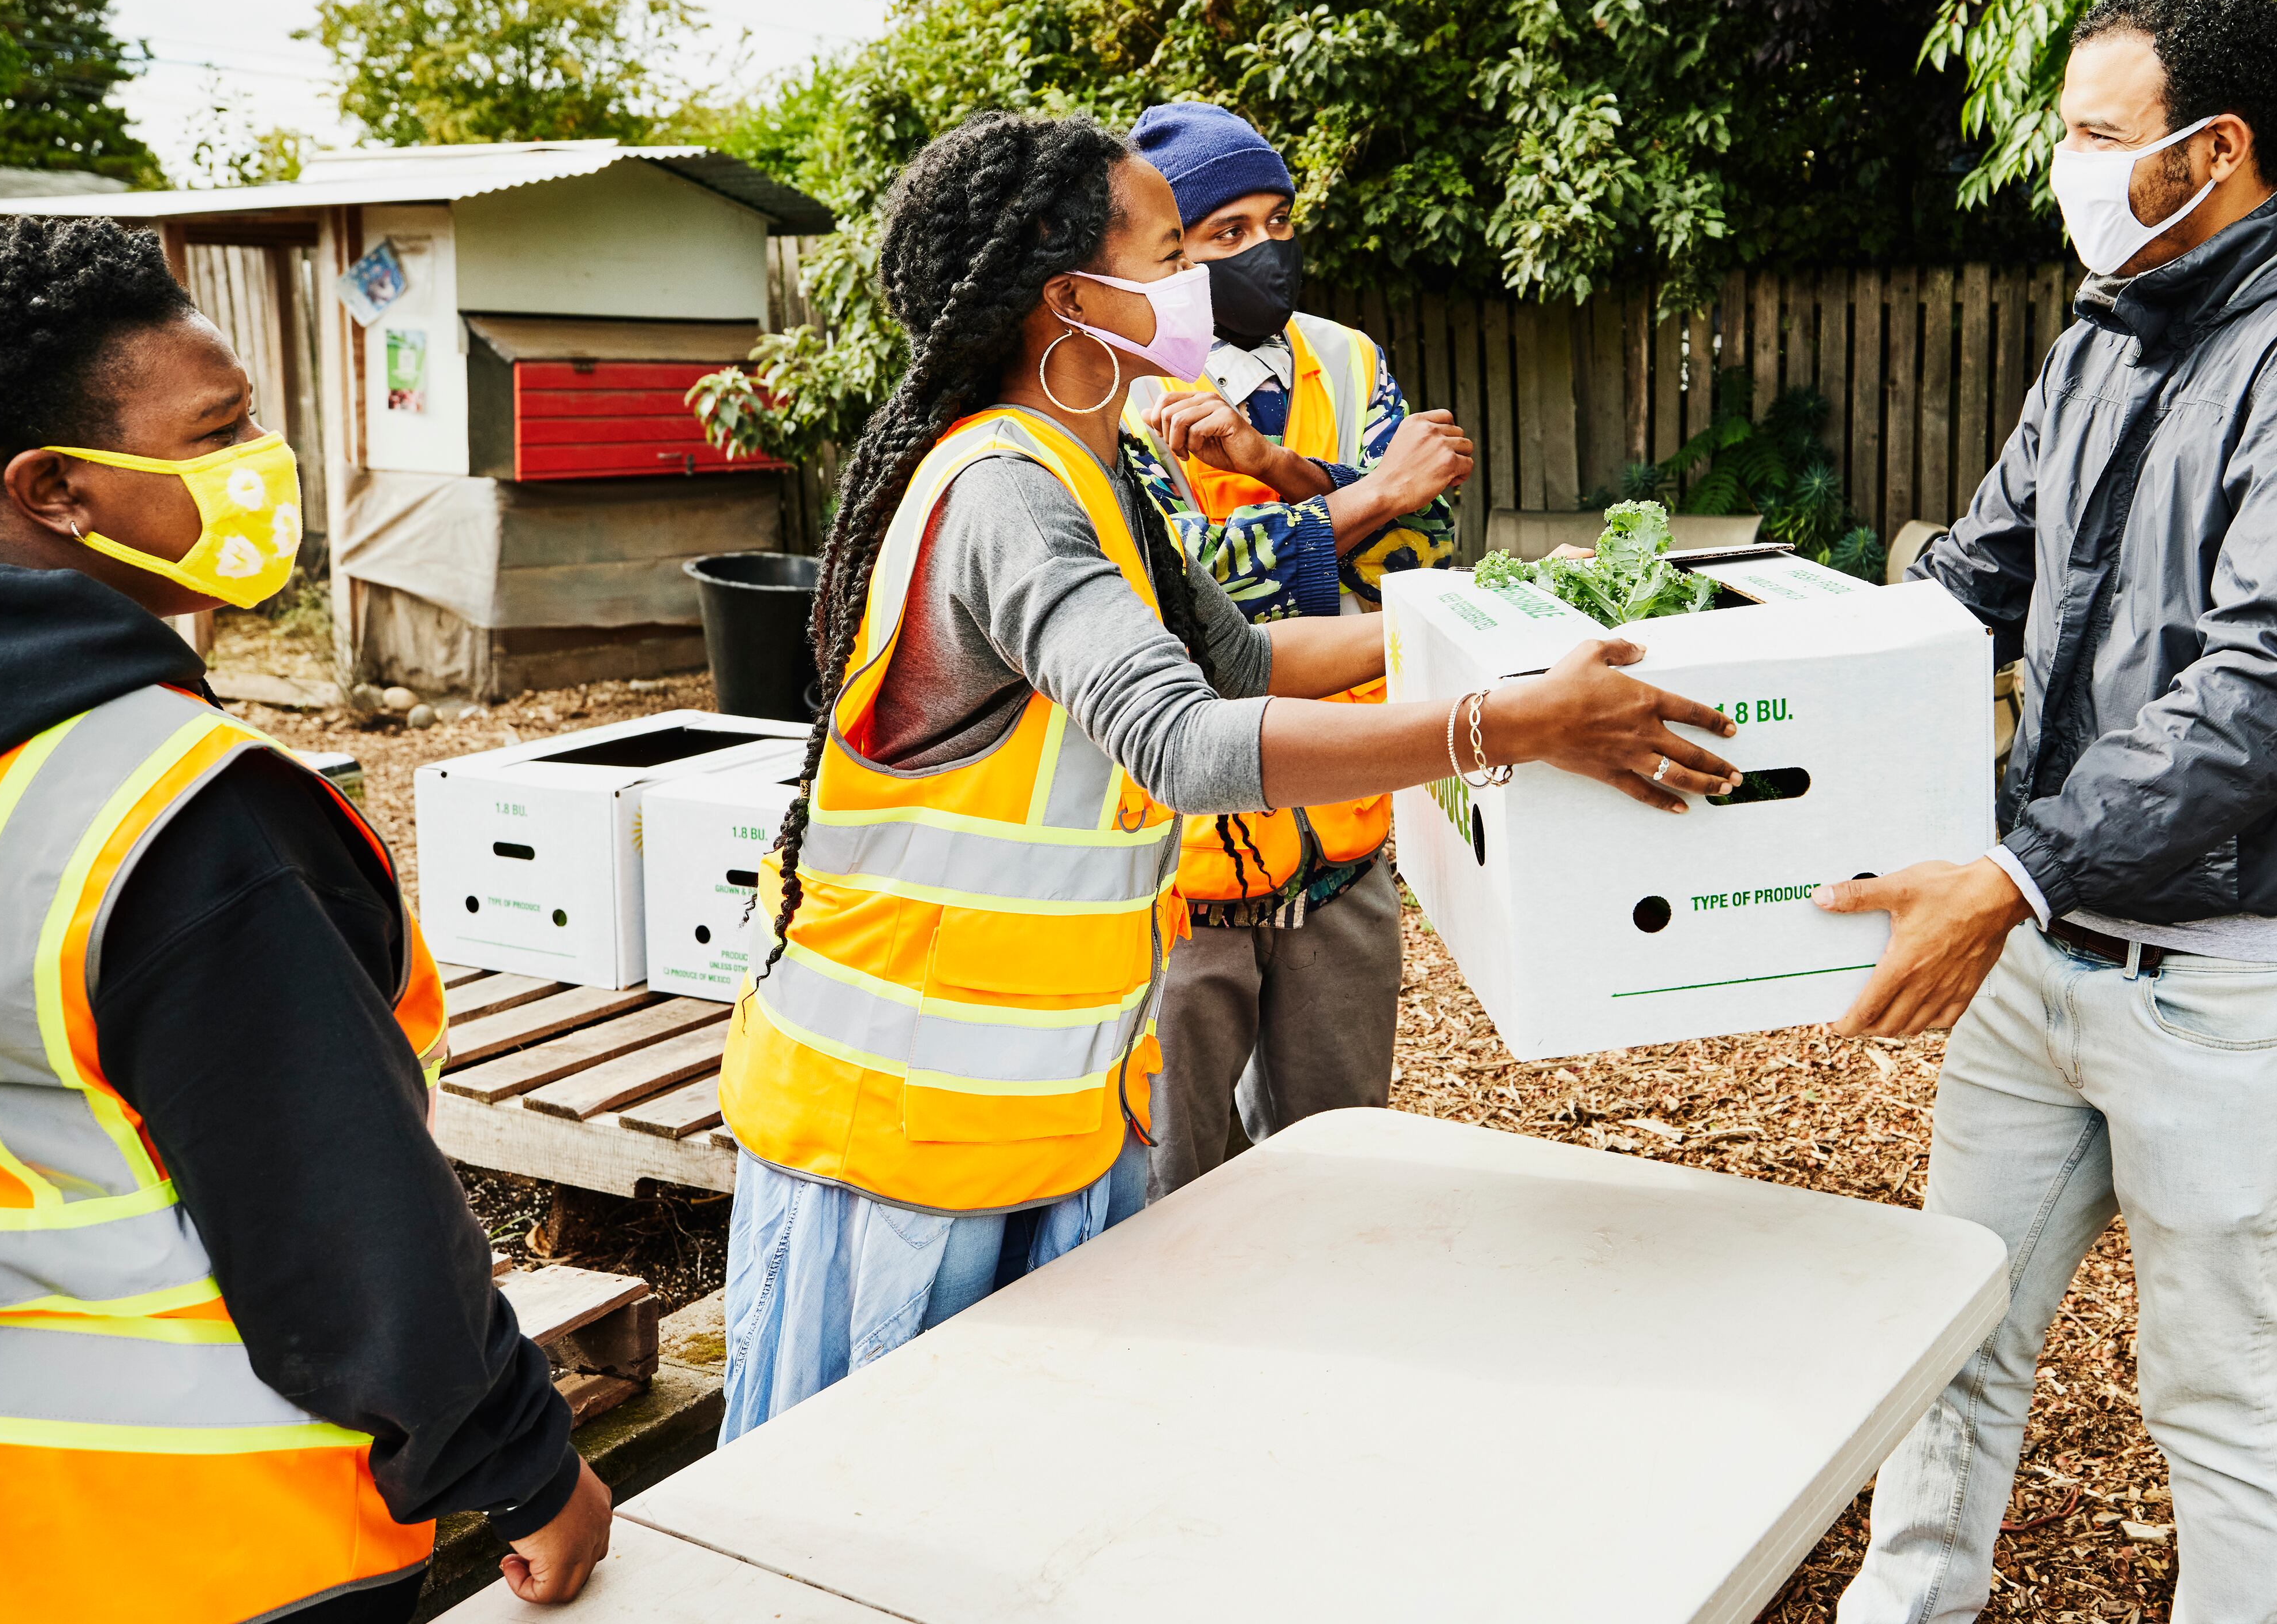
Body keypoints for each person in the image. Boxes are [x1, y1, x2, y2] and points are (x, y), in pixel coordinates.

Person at [714, 111, 1740, 1436]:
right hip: (893, 1142)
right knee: (853, 1499)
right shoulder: (1001, 490)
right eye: (1168, 250)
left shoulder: (1093, 474)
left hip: (1038, 1118)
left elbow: (1245, 661)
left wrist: (1493, 626)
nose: (1204, 286)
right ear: (1072, 300)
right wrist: (1511, 725)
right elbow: (1186, 740)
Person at [1820, 0, 2277, 1624]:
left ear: (2214, 146)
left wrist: (2014, 871)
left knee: (2219, 1406)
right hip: (2042, 953)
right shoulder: (2116, 317)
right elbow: (1972, 577)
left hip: (2240, 989)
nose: (2068, 166)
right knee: (1943, 1350)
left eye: (2101, 136)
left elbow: (2274, 683)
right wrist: (1754, 671)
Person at [0, 218, 611, 1622]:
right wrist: (528, 1465)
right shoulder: (168, 809)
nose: (267, 460)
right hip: (206, 1533)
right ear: (57, 488)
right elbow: (338, 1213)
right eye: (222, 428)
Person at [1114, 100, 1469, 1196]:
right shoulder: (1118, 391)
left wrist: (1281, 471)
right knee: (1172, 1194)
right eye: (1225, 234)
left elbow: (1424, 551)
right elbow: (1198, 600)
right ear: (1170, 261)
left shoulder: (1345, 357)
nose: (1266, 248)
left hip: (1344, 847)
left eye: (1278, 218)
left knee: (1345, 1169)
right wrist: (1370, 493)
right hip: (1186, 875)